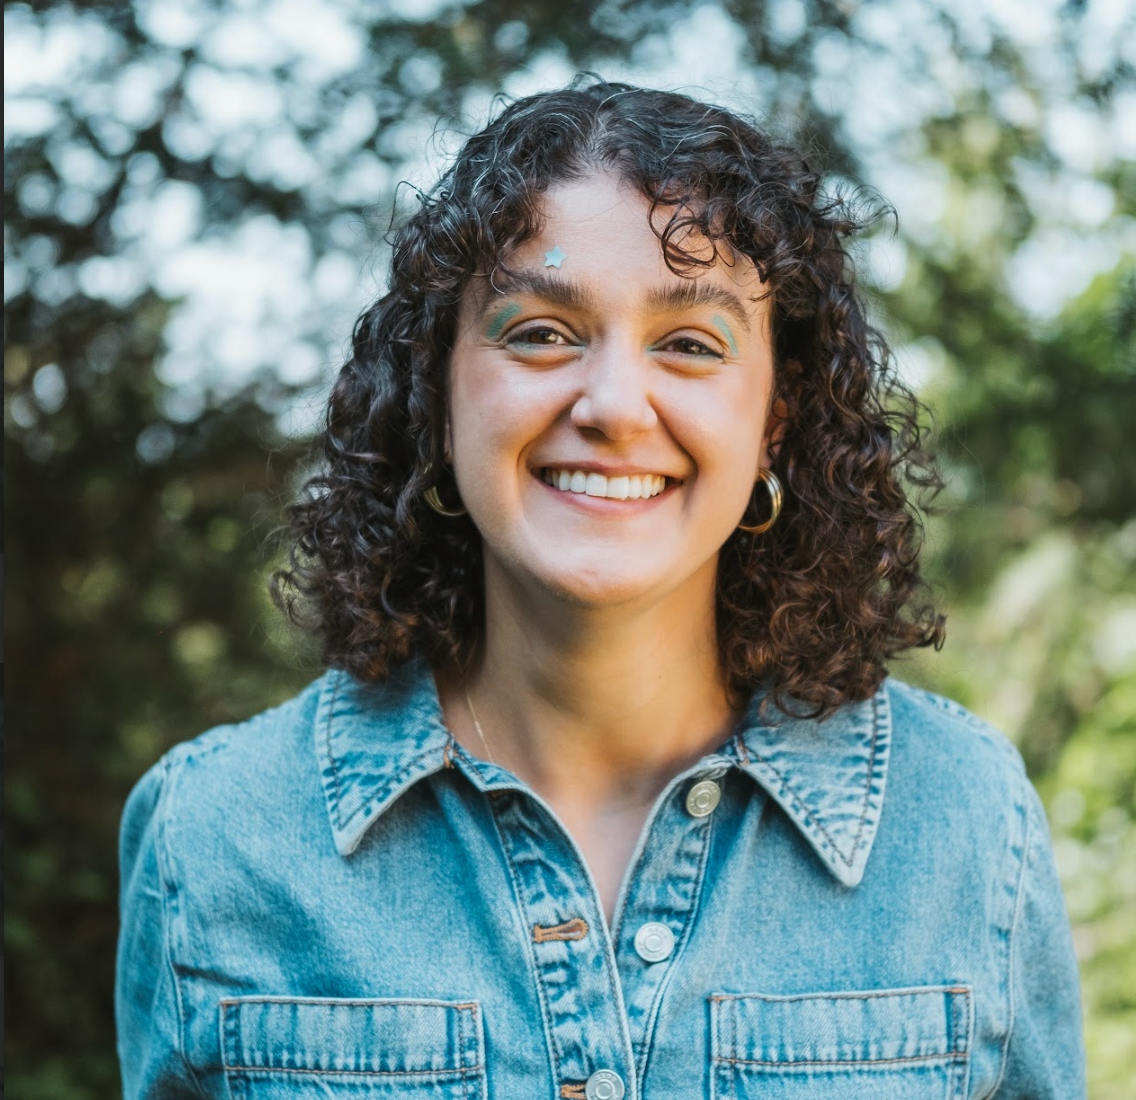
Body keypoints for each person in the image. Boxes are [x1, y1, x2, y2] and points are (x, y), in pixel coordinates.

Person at [116, 78, 1084, 1099]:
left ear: (774, 419)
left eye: (690, 344)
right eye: (540, 331)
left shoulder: (964, 820)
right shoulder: (215, 832)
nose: (615, 405)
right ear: (438, 390)